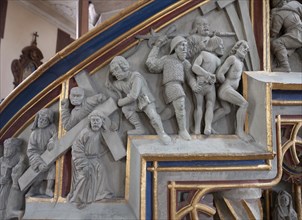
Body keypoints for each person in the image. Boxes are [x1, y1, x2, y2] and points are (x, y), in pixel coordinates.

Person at [109, 56, 171, 145]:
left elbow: (133, 96)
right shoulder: (121, 82)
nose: (115, 74)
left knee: (153, 116)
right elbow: (112, 84)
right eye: (113, 72)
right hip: (135, 103)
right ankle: (139, 128)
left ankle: (162, 134)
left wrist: (120, 102)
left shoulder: (136, 76)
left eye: (116, 69)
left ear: (123, 66)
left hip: (145, 100)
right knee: (126, 109)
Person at [146, 35, 197, 141]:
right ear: (175, 47)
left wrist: (195, 86)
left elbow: (190, 77)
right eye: (182, 46)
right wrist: (157, 46)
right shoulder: (166, 59)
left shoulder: (185, 62)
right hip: (171, 85)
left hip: (179, 86)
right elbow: (151, 64)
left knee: (173, 110)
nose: (185, 49)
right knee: (181, 104)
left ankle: (157, 120)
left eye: (186, 46)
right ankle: (182, 130)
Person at [67, 110, 114, 209]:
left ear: (102, 122)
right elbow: (76, 147)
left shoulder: (101, 133)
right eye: (93, 120)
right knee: (83, 176)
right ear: (90, 122)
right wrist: (82, 163)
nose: (95, 123)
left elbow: (109, 143)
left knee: (101, 171)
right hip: (83, 159)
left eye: (97, 120)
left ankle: (100, 195)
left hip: (95, 159)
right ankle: (77, 199)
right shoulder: (85, 132)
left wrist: (111, 129)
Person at [213, 40, 253, 142]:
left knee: (227, 110)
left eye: (247, 50)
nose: (245, 50)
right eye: (243, 47)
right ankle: (239, 132)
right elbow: (220, 74)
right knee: (244, 104)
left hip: (229, 90)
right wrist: (225, 85)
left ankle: (206, 124)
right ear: (237, 47)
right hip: (226, 89)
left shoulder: (241, 63)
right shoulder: (232, 59)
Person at [191, 36, 224, 135]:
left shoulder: (205, 55)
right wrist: (209, 75)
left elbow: (195, 67)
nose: (223, 47)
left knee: (199, 107)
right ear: (215, 46)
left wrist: (207, 76)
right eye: (221, 44)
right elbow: (194, 67)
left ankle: (200, 129)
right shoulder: (213, 58)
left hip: (202, 83)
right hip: (208, 86)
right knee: (209, 106)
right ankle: (206, 127)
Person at [27, 108, 57, 197]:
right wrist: (39, 163)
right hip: (37, 157)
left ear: (49, 121)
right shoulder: (34, 133)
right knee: (37, 172)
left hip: (49, 155)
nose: (41, 121)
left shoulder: (52, 128)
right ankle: (34, 188)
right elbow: (31, 150)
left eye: (44, 120)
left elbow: (56, 135)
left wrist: (52, 141)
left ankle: (48, 188)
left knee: (52, 169)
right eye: (40, 119)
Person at [270, 0, 302, 72]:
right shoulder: (294, 4)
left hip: (296, 34)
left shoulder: (279, 15)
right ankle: (282, 60)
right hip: (297, 33)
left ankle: (284, 66)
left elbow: (274, 33)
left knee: (276, 43)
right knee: (285, 50)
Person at [0, 138, 23, 219]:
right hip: (2, 185)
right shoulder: (1, 160)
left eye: (8, 148)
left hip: (12, 185)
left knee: (5, 202)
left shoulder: (19, 158)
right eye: (5, 148)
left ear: (15, 149)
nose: (6, 151)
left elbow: (21, 168)